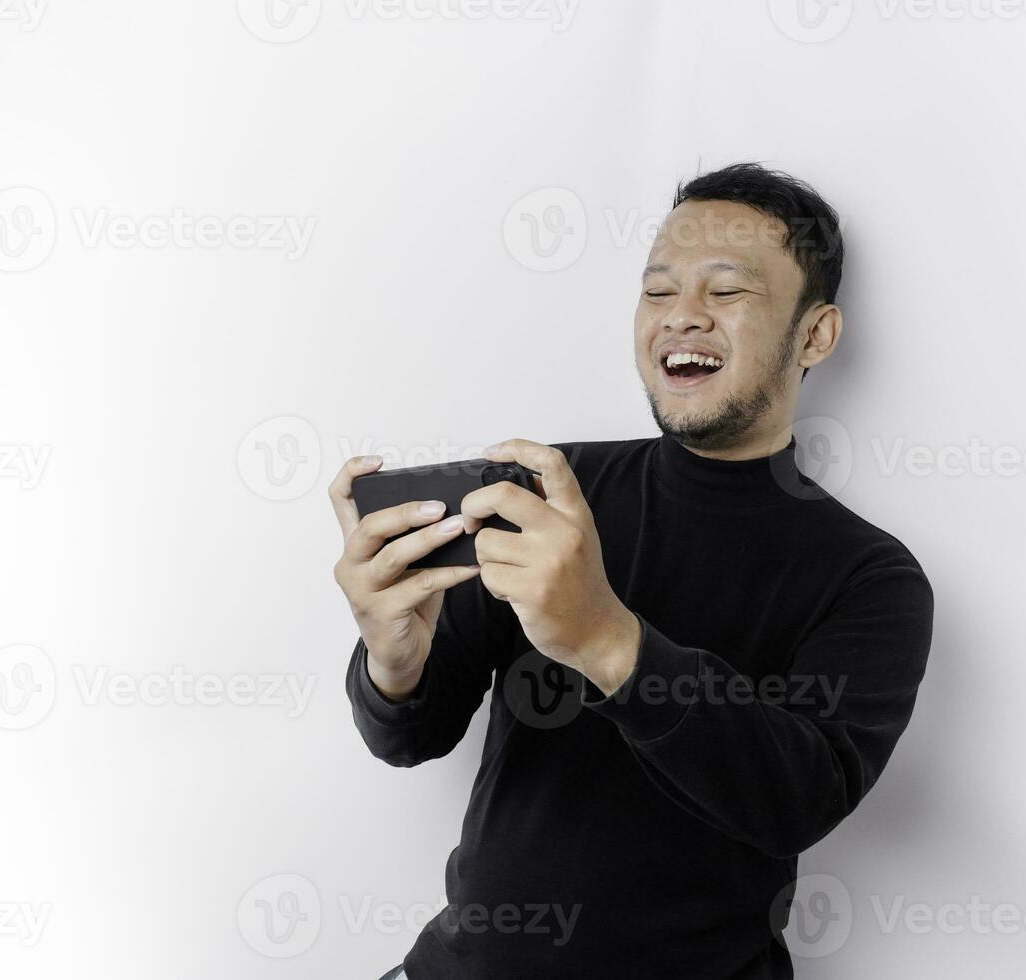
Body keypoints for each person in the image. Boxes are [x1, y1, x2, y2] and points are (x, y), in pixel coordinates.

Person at [331, 162, 934, 979]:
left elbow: (799, 801)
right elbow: (409, 737)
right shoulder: (546, 494)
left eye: (727, 293)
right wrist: (393, 660)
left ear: (815, 335)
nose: (683, 317)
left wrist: (607, 640)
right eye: (658, 292)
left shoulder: (872, 577)